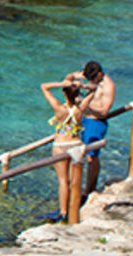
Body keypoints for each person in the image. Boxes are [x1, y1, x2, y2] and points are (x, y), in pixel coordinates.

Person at [68, 60, 116, 197]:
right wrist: (75, 83)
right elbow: (68, 78)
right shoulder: (88, 77)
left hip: (95, 123)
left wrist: (84, 106)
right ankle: (74, 185)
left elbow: (104, 111)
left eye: (93, 79)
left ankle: (88, 190)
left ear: (100, 75)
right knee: (74, 151)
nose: (91, 81)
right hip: (82, 120)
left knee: (91, 157)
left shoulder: (108, 86)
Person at [41, 79, 83, 222]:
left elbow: (44, 87)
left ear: (65, 93)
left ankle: (64, 212)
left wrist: (62, 83)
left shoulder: (59, 109)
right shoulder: (80, 108)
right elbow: (94, 90)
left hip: (61, 145)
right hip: (76, 144)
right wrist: (79, 85)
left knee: (62, 181)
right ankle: (73, 208)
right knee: (74, 180)